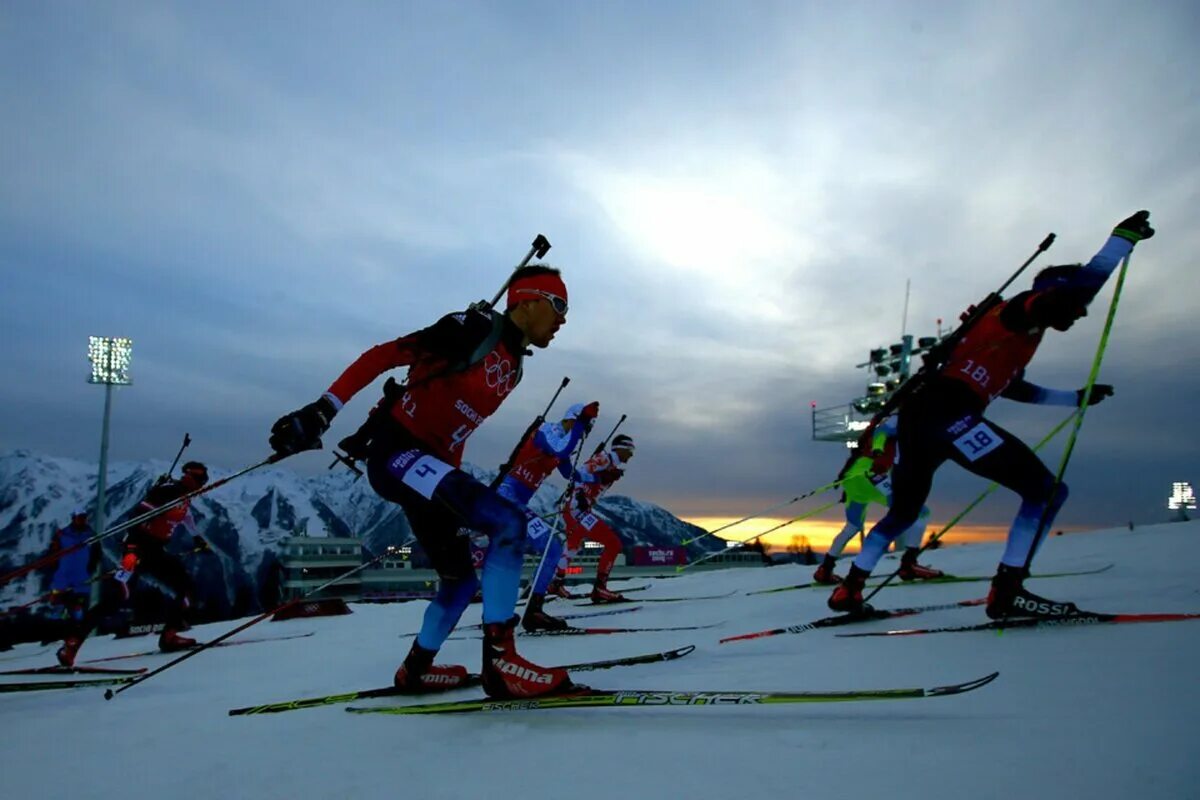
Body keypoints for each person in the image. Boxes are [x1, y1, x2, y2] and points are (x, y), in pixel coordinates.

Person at [269, 264, 578, 699]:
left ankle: (415, 670)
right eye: (558, 304)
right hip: (398, 454)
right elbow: (384, 355)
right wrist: (324, 409)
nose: (564, 318)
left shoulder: (514, 367)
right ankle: (502, 663)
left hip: (427, 467)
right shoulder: (472, 330)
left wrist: (454, 487)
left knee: (460, 579)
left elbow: (454, 429)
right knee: (510, 523)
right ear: (525, 300)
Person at [828, 211, 1154, 619]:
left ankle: (851, 589)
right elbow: (1063, 297)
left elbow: (1013, 387)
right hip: (947, 415)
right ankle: (1009, 590)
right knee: (1046, 491)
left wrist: (1074, 399)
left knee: (905, 512)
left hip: (924, 418)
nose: (1080, 314)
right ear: (1055, 292)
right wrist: (1119, 243)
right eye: (1077, 305)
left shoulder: (1011, 339)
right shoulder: (1021, 311)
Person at [56, 462, 210, 667]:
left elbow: (186, 517)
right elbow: (136, 518)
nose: (203, 485)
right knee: (119, 596)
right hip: (139, 549)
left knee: (186, 588)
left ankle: (170, 635)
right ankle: (72, 644)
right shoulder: (168, 492)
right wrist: (130, 550)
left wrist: (197, 538)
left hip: (156, 551)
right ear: (190, 478)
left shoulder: (184, 496)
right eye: (201, 480)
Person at [493, 401, 600, 632]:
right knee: (552, 547)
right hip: (507, 497)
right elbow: (559, 450)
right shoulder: (547, 431)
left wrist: (596, 478)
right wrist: (582, 425)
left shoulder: (563, 442)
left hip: (515, 501)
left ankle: (502, 611)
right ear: (572, 420)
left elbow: (570, 473)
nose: (583, 435)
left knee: (513, 552)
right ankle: (533, 611)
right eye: (584, 428)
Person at [813, 417, 940, 585]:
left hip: (853, 477)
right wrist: (878, 450)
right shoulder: (900, 418)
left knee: (852, 527)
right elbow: (883, 432)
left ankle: (825, 569)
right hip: (873, 475)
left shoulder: (894, 425)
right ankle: (909, 563)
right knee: (920, 512)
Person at [555, 433, 635, 603]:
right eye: (630, 450)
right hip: (578, 508)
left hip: (574, 508)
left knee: (573, 546)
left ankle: (556, 581)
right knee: (613, 543)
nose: (631, 454)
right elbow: (579, 473)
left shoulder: (611, 464)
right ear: (620, 448)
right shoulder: (605, 459)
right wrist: (582, 494)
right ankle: (600, 588)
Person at [44, 509, 99, 625]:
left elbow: (97, 555)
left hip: (81, 579)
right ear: (73, 519)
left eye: (84, 518)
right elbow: (52, 555)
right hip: (61, 578)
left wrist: (91, 569)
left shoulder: (91, 536)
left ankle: (76, 633)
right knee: (57, 608)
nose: (82, 521)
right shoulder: (62, 535)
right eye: (79, 518)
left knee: (78, 609)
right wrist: (52, 569)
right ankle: (52, 634)